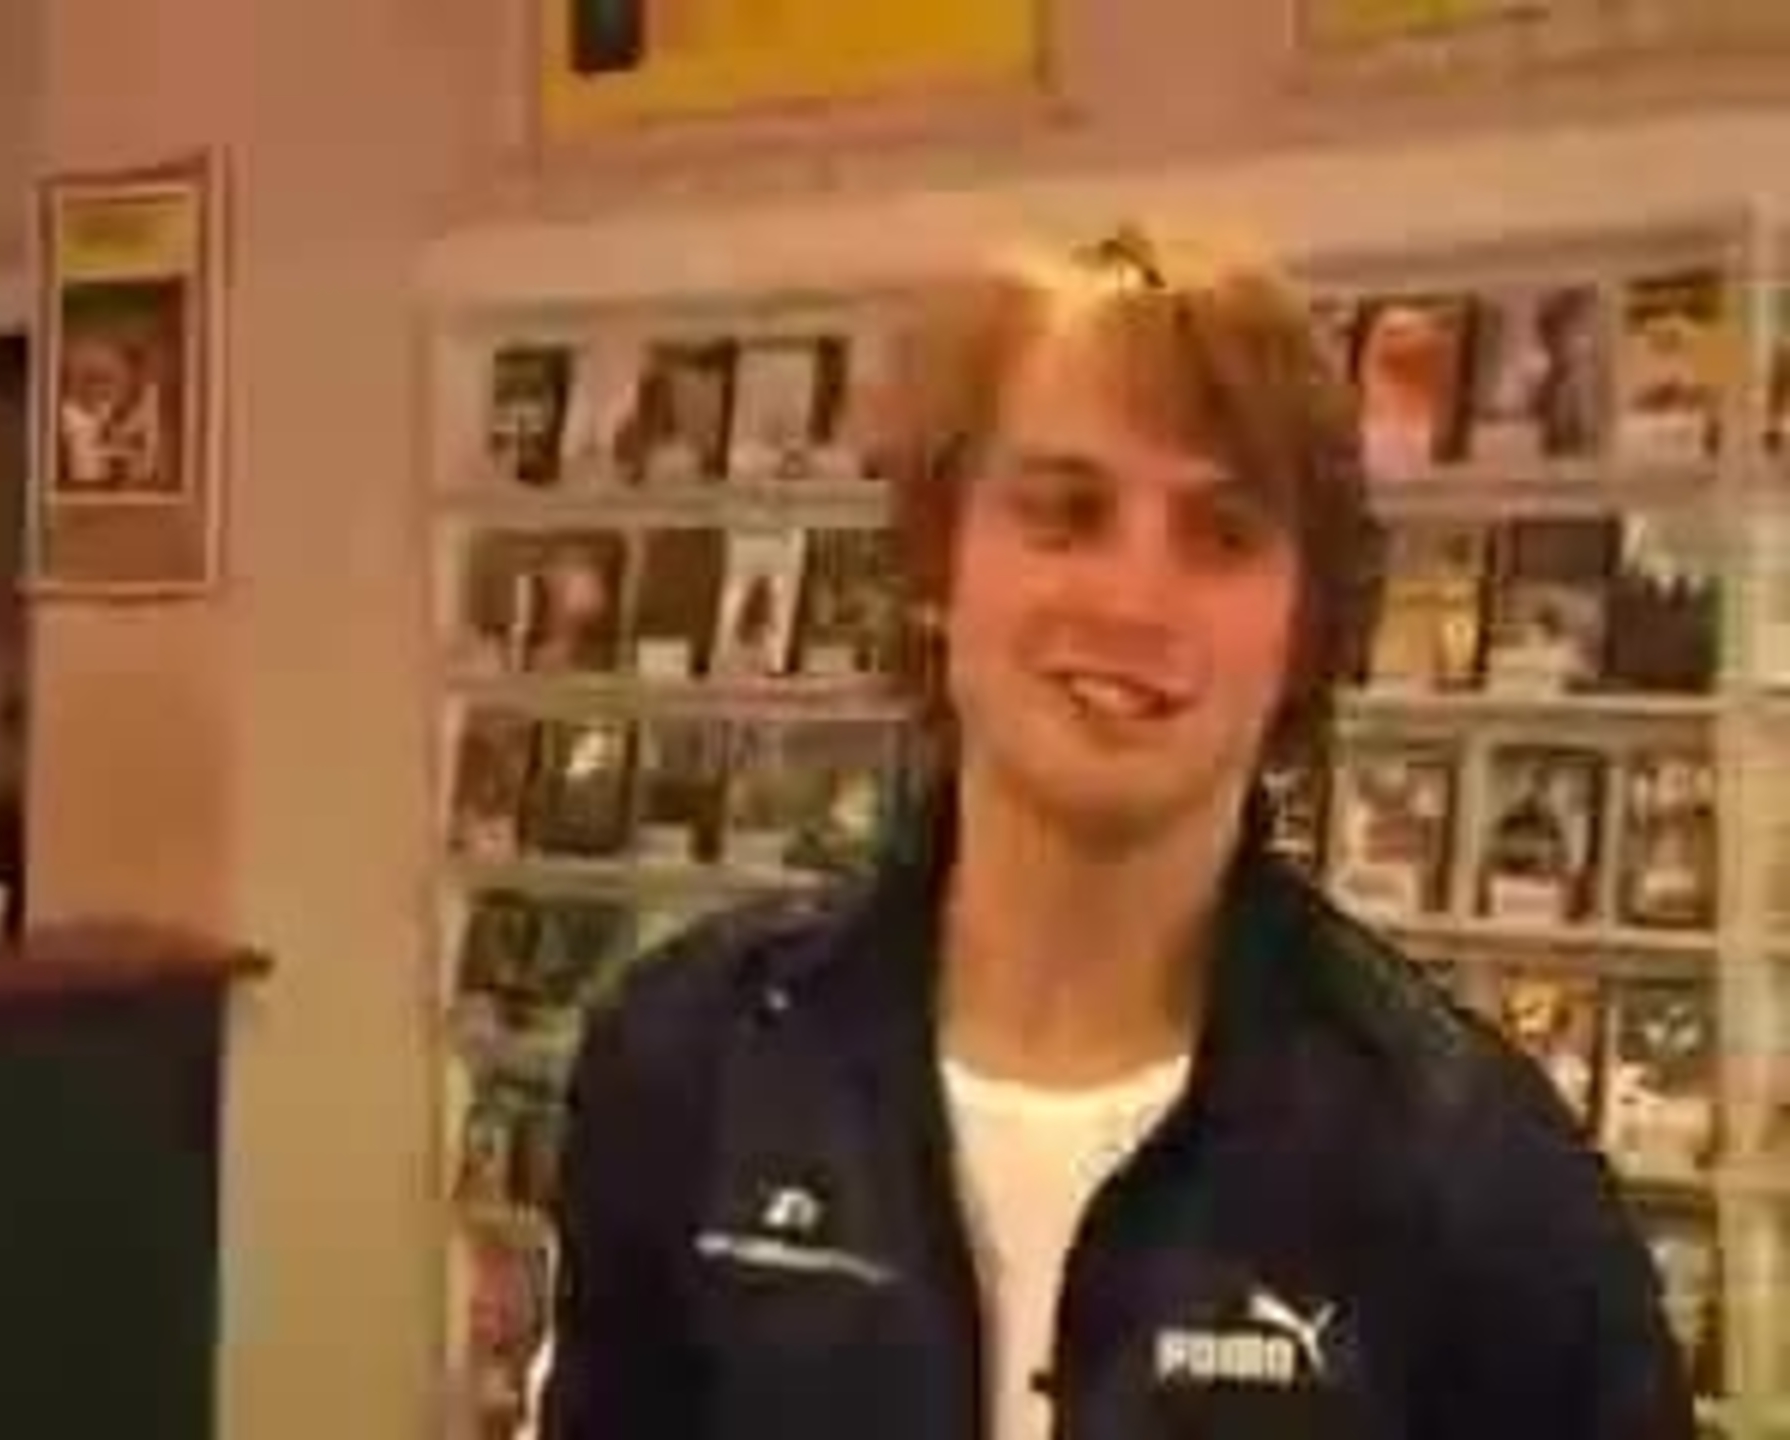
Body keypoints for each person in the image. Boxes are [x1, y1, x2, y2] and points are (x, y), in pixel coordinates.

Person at [538, 227, 1693, 1440]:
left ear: (1305, 626)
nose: (1135, 601)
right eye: (1066, 514)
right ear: (938, 564)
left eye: (1223, 535)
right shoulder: (693, 1066)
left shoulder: (1472, 1168)